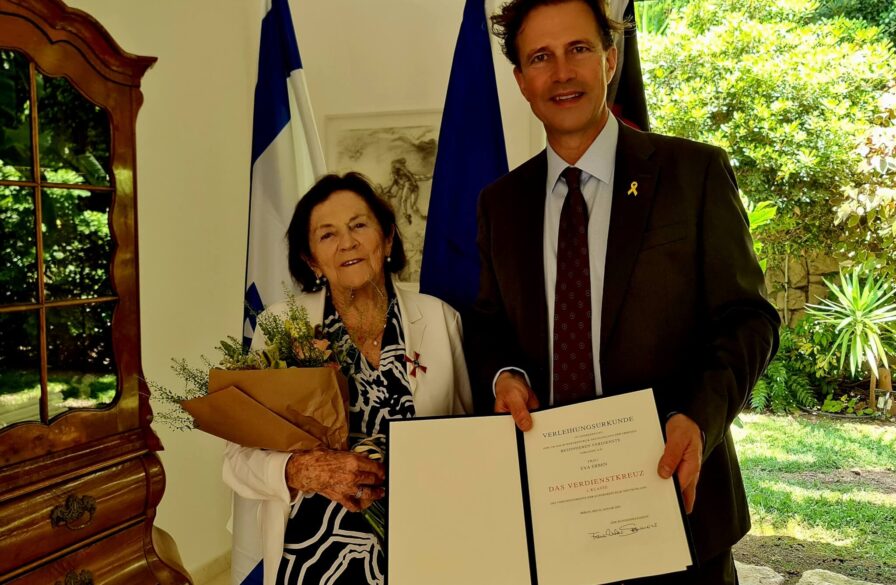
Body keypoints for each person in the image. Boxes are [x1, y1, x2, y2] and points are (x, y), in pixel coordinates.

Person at [470, 0, 780, 583]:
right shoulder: (500, 204)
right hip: (553, 509)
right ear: (521, 80)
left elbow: (748, 317)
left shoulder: (694, 174)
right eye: (540, 57)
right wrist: (504, 376)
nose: (562, 73)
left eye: (578, 49)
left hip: (676, 500)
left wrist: (699, 417)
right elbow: (490, 323)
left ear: (610, 60)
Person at [223, 172, 473, 585]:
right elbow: (236, 459)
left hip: (425, 545)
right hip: (314, 554)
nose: (347, 243)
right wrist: (298, 470)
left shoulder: (439, 318)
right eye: (327, 234)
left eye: (359, 225)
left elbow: (471, 439)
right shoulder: (281, 327)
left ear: (387, 240)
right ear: (311, 259)